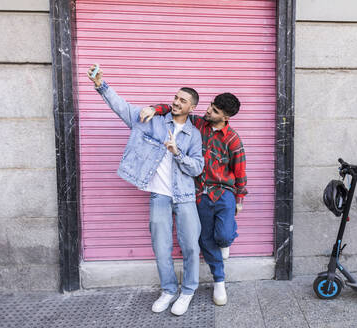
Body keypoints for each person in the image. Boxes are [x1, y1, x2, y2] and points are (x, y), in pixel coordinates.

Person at [87, 64, 204, 316]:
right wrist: (101, 85)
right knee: (161, 247)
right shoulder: (151, 120)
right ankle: (169, 290)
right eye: (175, 97)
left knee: (191, 246)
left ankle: (187, 291)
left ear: (191, 108)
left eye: (182, 100)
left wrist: (178, 153)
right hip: (159, 196)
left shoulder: (194, 135)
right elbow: (122, 107)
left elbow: (197, 167)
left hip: (185, 197)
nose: (176, 102)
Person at [139, 93, 247, 306]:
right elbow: (175, 110)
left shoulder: (233, 139)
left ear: (225, 117)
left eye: (215, 111)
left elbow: (240, 170)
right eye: (210, 106)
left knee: (223, 235)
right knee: (205, 240)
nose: (208, 111)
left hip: (224, 192)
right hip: (200, 193)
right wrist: (155, 108)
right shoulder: (199, 124)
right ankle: (219, 281)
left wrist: (240, 199)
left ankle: (226, 241)